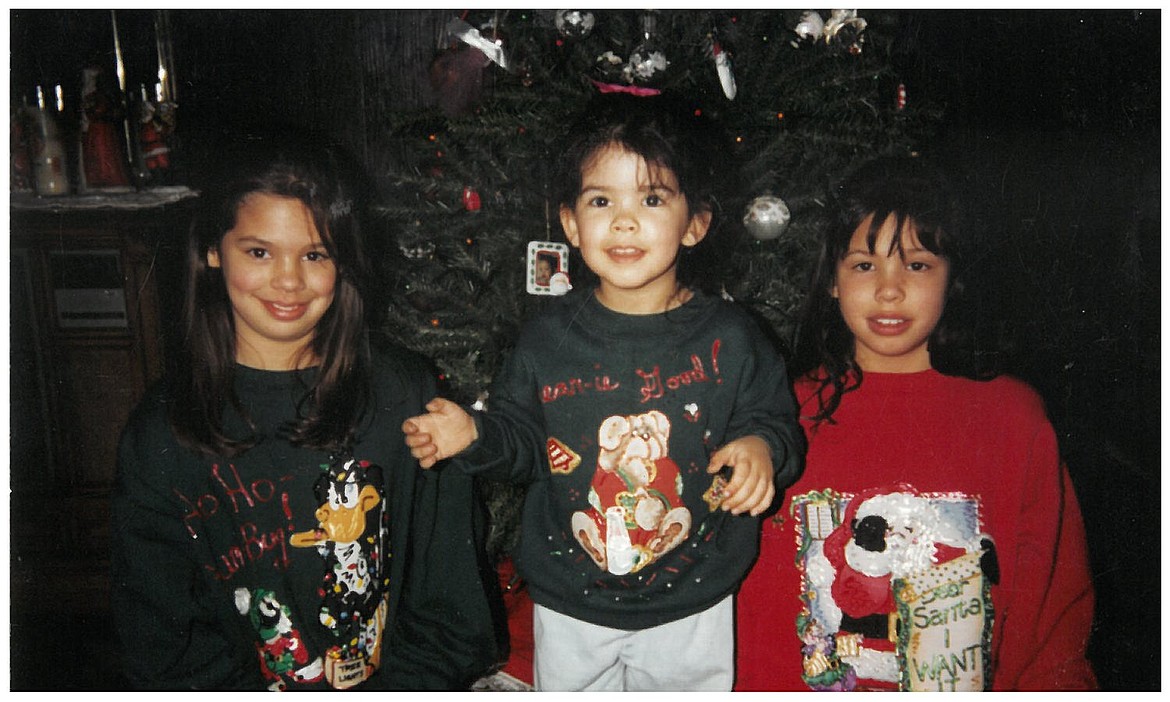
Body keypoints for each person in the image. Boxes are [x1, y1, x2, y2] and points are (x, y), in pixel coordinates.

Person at [402, 92, 805, 691]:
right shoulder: (545, 339)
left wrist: (760, 448)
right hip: (571, 594)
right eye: (600, 200)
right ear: (570, 223)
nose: (623, 220)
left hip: (694, 595)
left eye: (651, 199)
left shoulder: (733, 336)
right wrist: (474, 435)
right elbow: (523, 442)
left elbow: (778, 422)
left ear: (694, 224)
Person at [110, 133, 502, 691]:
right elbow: (159, 639)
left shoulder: (404, 394)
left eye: (315, 254)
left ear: (341, 261)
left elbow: (451, 602)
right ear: (214, 252)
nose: (289, 280)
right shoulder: (160, 432)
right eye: (260, 252)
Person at [734, 156, 1098, 691]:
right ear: (831, 279)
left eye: (918, 265)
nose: (889, 290)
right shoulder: (776, 417)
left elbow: (1054, 621)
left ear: (952, 279)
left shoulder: (1011, 420)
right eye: (864, 265)